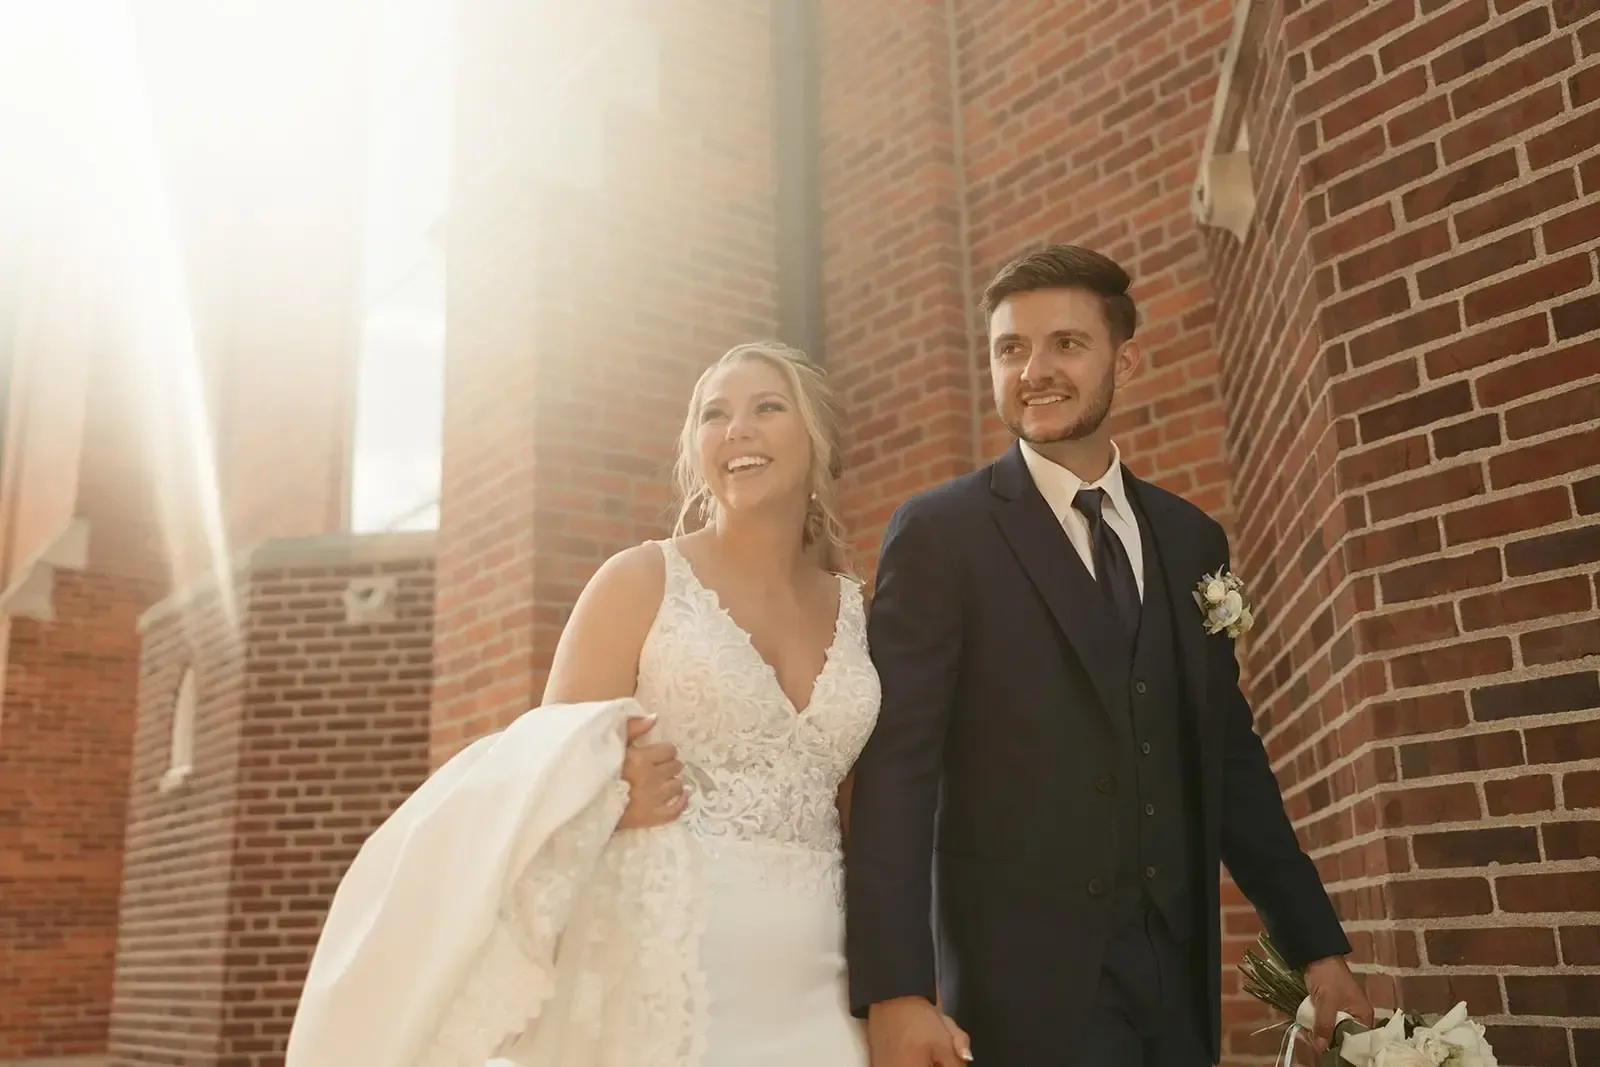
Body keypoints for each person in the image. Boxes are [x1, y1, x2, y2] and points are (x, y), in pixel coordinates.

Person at [286, 341, 969, 1067]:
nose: (737, 428)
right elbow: (541, 767)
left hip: (820, 976)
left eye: (767, 407)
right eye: (714, 414)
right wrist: (608, 785)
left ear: (817, 438)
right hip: (661, 962)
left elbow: (873, 814)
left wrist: (903, 988)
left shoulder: (860, 611)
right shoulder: (640, 581)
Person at [845, 245, 1374, 1066]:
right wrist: (896, 988)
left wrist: (1318, 949)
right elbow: (896, 770)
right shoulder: (939, 535)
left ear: (1125, 357)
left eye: (1066, 344)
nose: (1035, 370)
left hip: (1177, 986)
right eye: (1011, 349)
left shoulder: (1191, 538)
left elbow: (1229, 760)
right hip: (1022, 995)